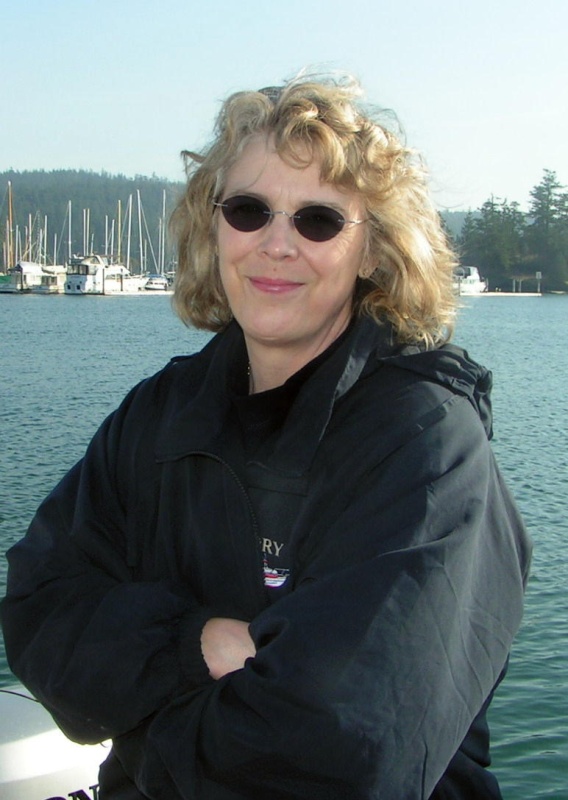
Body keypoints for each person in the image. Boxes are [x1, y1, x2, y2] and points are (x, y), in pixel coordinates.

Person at [1, 74, 531, 799]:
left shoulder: (427, 443)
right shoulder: (158, 414)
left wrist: (141, 721)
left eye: (319, 220)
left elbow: (339, 754)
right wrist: (194, 645)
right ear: (214, 226)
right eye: (249, 210)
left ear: (372, 251)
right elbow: (40, 613)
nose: (277, 245)